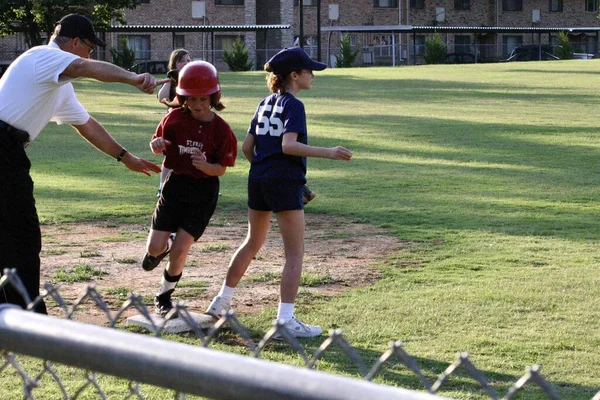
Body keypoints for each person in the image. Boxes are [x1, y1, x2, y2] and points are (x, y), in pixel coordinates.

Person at [0, 13, 163, 314]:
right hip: (3, 150)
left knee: (11, 236)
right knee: (22, 236)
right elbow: (84, 67)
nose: (92, 53)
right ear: (74, 42)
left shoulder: (59, 86)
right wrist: (133, 78)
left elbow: (86, 124)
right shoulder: (45, 57)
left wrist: (125, 157)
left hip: (8, 150)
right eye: (90, 46)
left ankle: (14, 311)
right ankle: (27, 318)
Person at [205, 47, 352, 338]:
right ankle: (285, 320)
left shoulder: (264, 103)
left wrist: (267, 171)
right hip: (283, 181)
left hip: (258, 179)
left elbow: (248, 147)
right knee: (295, 252)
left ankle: (222, 301)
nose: (312, 75)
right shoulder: (293, 105)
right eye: (308, 71)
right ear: (294, 76)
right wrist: (329, 152)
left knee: (252, 242)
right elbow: (288, 146)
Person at [142, 61, 237, 318]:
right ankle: (164, 246)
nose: (197, 104)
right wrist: (156, 144)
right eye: (191, 98)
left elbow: (221, 169)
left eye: (203, 98)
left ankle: (163, 296)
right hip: (176, 186)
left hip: (203, 192)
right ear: (182, 97)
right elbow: (156, 145)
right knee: (153, 249)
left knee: (182, 248)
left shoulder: (222, 130)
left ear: (214, 97)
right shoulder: (173, 119)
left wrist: (206, 166)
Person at [155, 49, 192, 198]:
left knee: (192, 154)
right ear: (174, 64)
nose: (186, 63)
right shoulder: (172, 79)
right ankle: (162, 187)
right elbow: (161, 98)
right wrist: (171, 79)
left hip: (191, 122)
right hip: (174, 124)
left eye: (188, 60)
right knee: (170, 156)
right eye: (182, 61)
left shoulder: (192, 77)